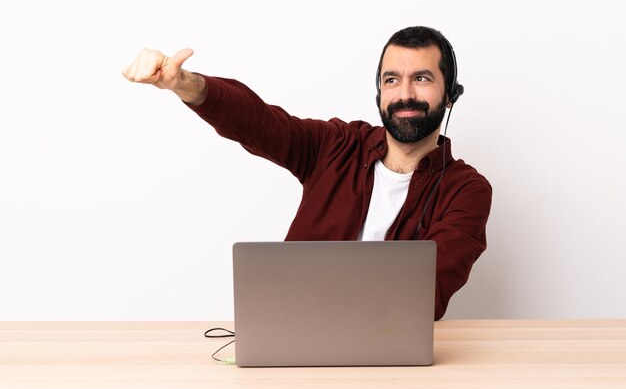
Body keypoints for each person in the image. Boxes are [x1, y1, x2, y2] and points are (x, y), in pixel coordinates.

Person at [123, 26, 492, 320]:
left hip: (388, 353)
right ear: (379, 92)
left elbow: (428, 293)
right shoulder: (335, 145)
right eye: (392, 80)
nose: (404, 94)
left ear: (450, 95)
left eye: (422, 79)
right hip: (290, 337)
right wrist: (188, 85)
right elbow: (259, 123)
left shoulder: (467, 190)